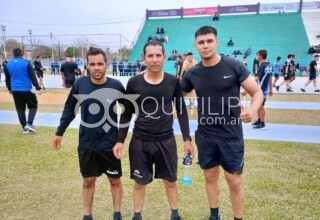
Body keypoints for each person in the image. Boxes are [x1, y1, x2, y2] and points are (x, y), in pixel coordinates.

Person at [180, 26, 263, 220]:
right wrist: (151, 74)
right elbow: (176, 90)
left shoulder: (234, 65)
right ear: (196, 46)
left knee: (233, 181)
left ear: (217, 42)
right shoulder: (193, 73)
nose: (206, 46)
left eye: (209, 41)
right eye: (201, 42)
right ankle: (214, 215)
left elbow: (257, 92)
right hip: (206, 135)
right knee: (210, 177)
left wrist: (252, 110)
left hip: (230, 135)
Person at [113, 40, 194, 220]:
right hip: (140, 142)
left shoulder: (173, 82)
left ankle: (175, 215)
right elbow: (127, 112)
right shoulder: (134, 82)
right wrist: (120, 140)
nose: (154, 59)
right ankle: (137, 216)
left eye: (158, 55)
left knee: (170, 182)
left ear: (165, 58)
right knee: (140, 183)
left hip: (166, 141)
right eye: (150, 55)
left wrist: (187, 139)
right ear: (143, 58)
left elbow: (181, 111)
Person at [53, 47, 125, 220]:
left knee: (114, 181)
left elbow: (127, 111)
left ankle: (117, 214)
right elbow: (70, 108)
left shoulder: (116, 85)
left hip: (109, 143)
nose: (97, 67)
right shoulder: (80, 84)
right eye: (92, 64)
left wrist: (120, 139)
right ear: (87, 66)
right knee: (88, 181)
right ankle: (87, 215)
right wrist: (59, 132)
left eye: (100, 63)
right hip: (87, 142)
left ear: (107, 64)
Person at [4, 48, 42, 133]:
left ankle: (24, 128)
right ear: (22, 54)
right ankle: (29, 124)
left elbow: (7, 78)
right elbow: (33, 77)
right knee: (33, 106)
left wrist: (9, 88)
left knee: (20, 108)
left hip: (15, 90)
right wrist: (38, 87)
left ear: (13, 54)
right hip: (26, 89)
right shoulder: (26, 63)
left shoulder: (8, 64)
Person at [246, 49, 273, 129]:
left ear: (260, 56)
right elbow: (270, 77)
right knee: (258, 105)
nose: (256, 57)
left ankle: (262, 123)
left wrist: (246, 89)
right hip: (265, 89)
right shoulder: (269, 65)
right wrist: (271, 88)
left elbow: (256, 79)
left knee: (260, 106)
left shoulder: (262, 66)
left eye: (257, 55)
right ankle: (259, 120)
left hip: (261, 90)